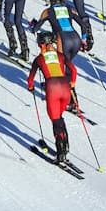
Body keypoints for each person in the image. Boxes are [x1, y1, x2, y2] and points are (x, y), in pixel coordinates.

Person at [27, 30, 78, 164]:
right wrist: (72, 82)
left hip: (52, 88)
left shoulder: (39, 59)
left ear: (42, 44)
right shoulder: (60, 56)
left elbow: (30, 78)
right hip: (65, 88)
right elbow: (73, 70)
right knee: (60, 117)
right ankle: (65, 144)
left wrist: (31, 87)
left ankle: (60, 151)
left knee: (55, 120)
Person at [30, 0, 92, 67]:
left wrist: (33, 25)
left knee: (61, 67)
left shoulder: (47, 11)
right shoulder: (70, 9)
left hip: (63, 40)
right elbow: (83, 25)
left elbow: (36, 29)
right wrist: (83, 40)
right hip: (76, 40)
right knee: (67, 65)